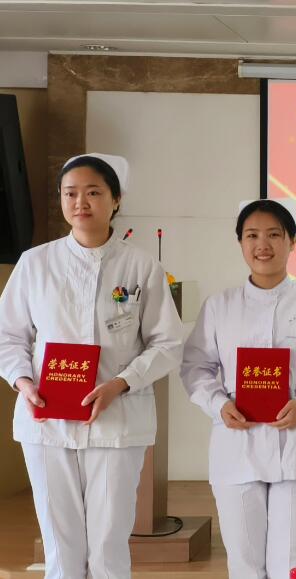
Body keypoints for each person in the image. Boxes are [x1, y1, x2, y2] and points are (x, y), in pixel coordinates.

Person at [0, 153, 184, 579]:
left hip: (117, 421)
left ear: (116, 199)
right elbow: (8, 335)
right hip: (46, 420)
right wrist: (23, 381)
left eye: (93, 192)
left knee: (107, 546)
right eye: (70, 193)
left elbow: (167, 343)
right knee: (60, 546)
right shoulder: (35, 263)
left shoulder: (141, 266)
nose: (80, 202)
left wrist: (121, 382)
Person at [181, 199, 296, 578]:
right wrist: (218, 404)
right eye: (252, 235)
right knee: (245, 564)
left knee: (291, 564)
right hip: (237, 446)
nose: (263, 244)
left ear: (292, 241)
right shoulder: (220, 306)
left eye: (274, 234)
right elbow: (196, 368)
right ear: (240, 243)